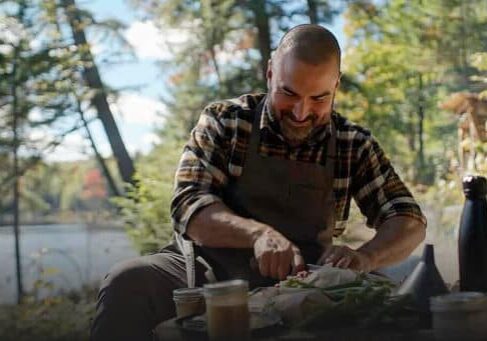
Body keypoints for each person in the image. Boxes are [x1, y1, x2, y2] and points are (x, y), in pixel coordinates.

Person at [91, 24, 426, 341]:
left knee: (395, 305)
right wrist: (258, 235)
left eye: (318, 99)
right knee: (129, 282)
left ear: (336, 84)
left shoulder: (354, 143)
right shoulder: (225, 121)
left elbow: (408, 219)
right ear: (270, 73)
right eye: (288, 93)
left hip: (306, 280)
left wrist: (366, 257)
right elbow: (188, 206)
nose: (300, 112)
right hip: (210, 271)